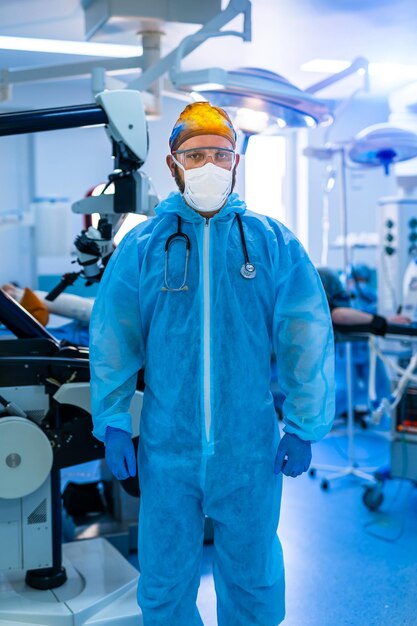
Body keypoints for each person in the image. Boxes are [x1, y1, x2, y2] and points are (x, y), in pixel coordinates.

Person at [89, 101, 335, 626]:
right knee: (163, 580)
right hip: (167, 448)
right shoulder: (142, 247)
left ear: (236, 162)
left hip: (249, 446)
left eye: (219, 153)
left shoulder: (272, 244)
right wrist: (112, 421)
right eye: (195, 154)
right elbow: (114, 337)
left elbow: (305, 335)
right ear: (174, 165)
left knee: (253, 578)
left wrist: (305, 424)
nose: (208, 164)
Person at [316, 267, 410, 420]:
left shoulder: (350, 297)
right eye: (355, 280)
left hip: (363, 348)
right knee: (345, 389)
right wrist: (381, 321)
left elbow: (353, 315)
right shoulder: (322, 302)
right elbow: (339, 315)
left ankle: (382, 417)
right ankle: (326, 420)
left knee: (380, 387)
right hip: (344, 351)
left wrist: (381, 320)